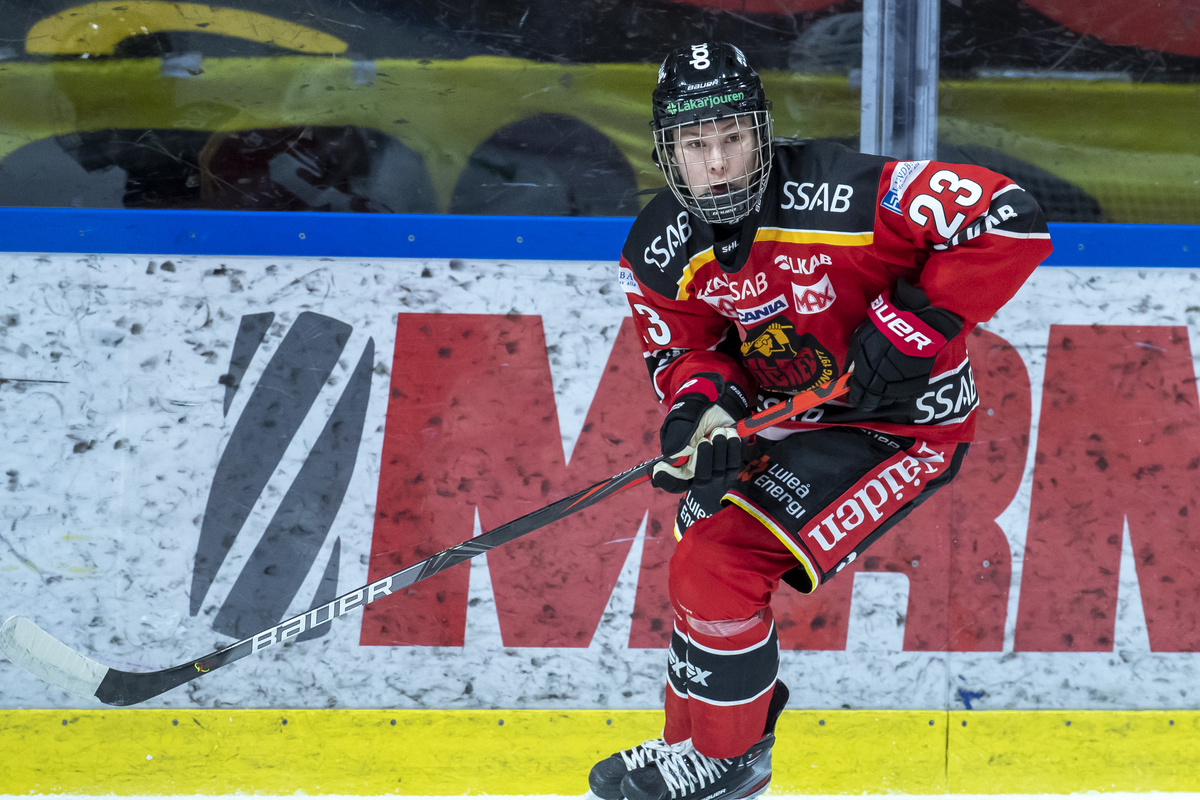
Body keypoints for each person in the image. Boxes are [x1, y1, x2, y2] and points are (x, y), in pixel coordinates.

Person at [590, 41, 1052, 800]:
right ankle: (696, 741)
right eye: (695, 145)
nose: (718, 164)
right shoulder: (659, 246)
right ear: (667, 151)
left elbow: (1010, 215)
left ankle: (729, 760)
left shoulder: (849, 193)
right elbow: (691, 351)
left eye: (733, 137)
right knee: (697, 532)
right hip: (794, 419)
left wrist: (919, 321)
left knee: (719, 562)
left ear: (762, 131)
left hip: (902, 426)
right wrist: (704, 411)